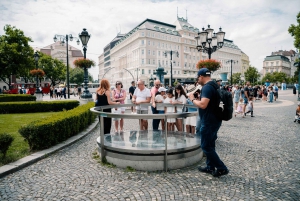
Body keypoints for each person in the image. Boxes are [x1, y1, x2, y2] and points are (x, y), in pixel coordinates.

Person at [188, 68, 229, 177]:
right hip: (215, 119)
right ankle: (210, 166)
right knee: (210, 144)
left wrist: (192, 99)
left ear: (201, 76)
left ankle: (221, 168)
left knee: (205, 146)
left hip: (209, 121)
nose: (198, 80)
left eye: (198, 77)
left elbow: (203, 105)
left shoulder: (206, 87)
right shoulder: (215, 85)